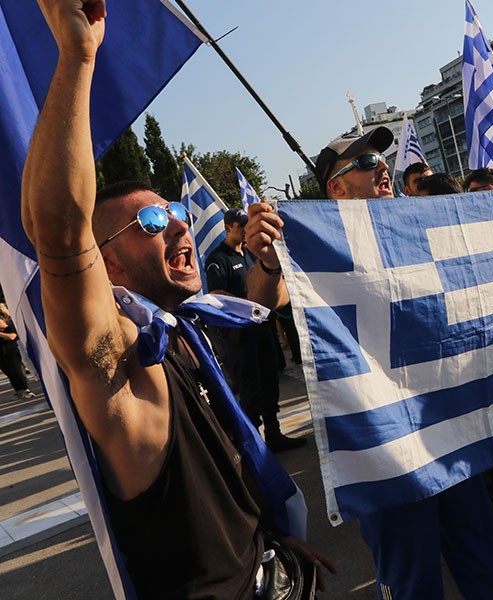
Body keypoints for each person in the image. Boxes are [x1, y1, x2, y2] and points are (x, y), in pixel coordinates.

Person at [20, 2, 334, 597]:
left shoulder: (192, 332)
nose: (180, 226)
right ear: (105, 260)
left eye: (179, 212)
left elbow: (260, 313)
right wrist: (77, 57)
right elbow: (58, 234)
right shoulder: (125, 365)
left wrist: (272, 538)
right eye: (151, 219)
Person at [308, 127, 493, 599]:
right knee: (412, 582)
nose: (381, 166)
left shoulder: (418, 224)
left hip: (447, 429)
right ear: (336, 188)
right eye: (365, 163)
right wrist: (265, 261)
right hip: (384, 449)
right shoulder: (313, 249)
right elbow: (269, 295)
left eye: (381, 159)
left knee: (487, 563)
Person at [206, 208, 306, 453]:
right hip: (239, 336)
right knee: (250, 389)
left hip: (262, 328)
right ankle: (253, 446)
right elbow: (216, 295)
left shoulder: (252, 254)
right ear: (228, 227)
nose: (244, 229)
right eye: (240, 226)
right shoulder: (218, 259)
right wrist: (249, 302)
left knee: (270, 382)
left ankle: (274, 433)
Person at [0, 311, 37, 399]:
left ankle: (26, 389)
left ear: (3, 320)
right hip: (2, 356)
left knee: (17, 371)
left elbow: (12, 336)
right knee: (9, 373)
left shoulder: (10, 327)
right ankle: (18, 390)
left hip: (13, 354)